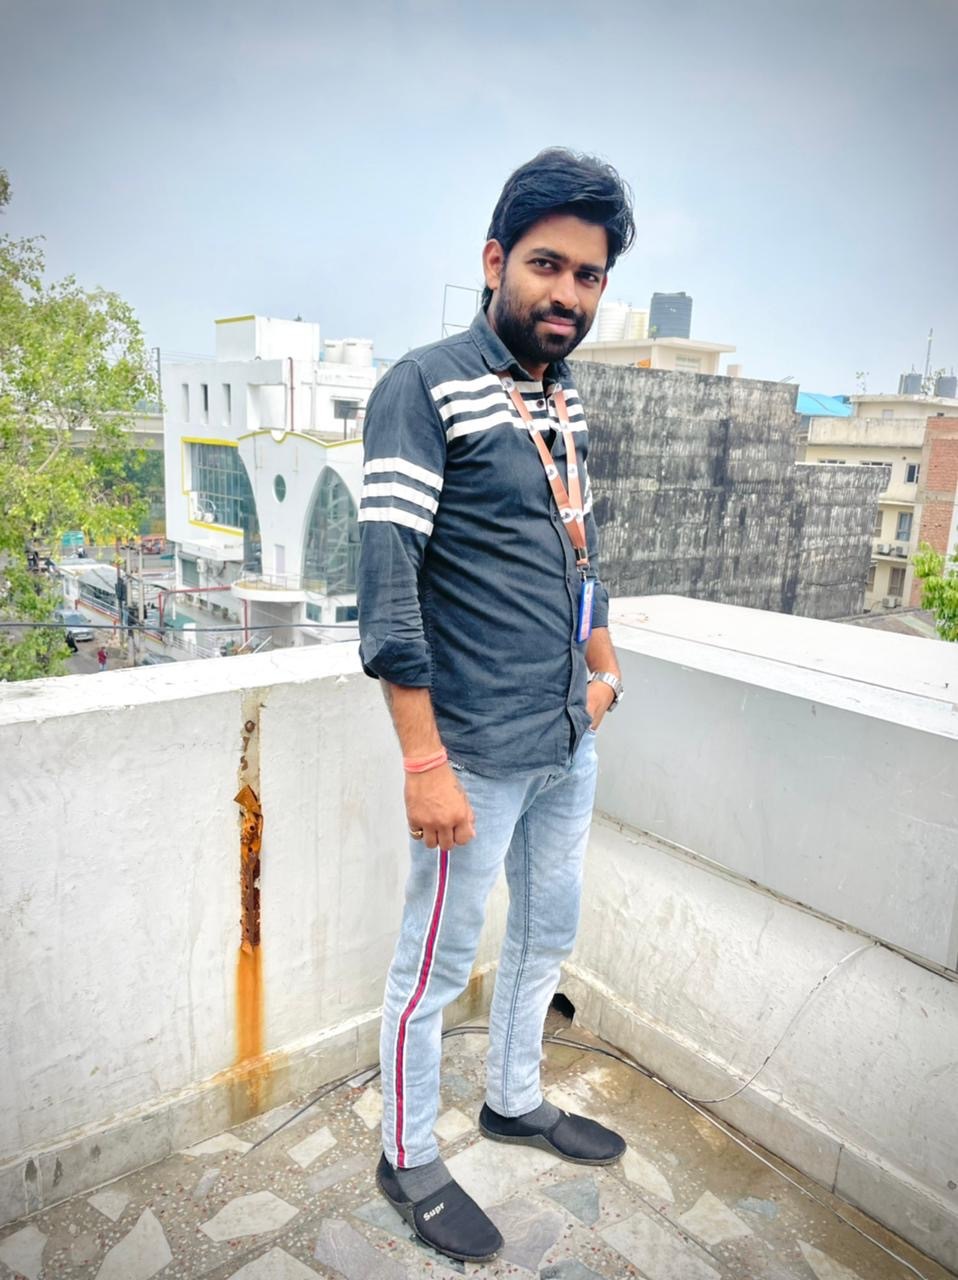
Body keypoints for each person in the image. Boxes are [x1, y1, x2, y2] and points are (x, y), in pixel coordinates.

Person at [357, 148, 634, 1264]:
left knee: (548, 930)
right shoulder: (421, 387)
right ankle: (406, 1154)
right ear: (494, 261)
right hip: (470, 751)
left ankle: (514, 1097)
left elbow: (582, 551)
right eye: (546, 265)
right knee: (432, 967)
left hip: (567, 734)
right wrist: (424, 764)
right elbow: (387, 592)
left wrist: (604, 670)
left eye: (588, 275)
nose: (567, 292)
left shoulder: (562, 396)